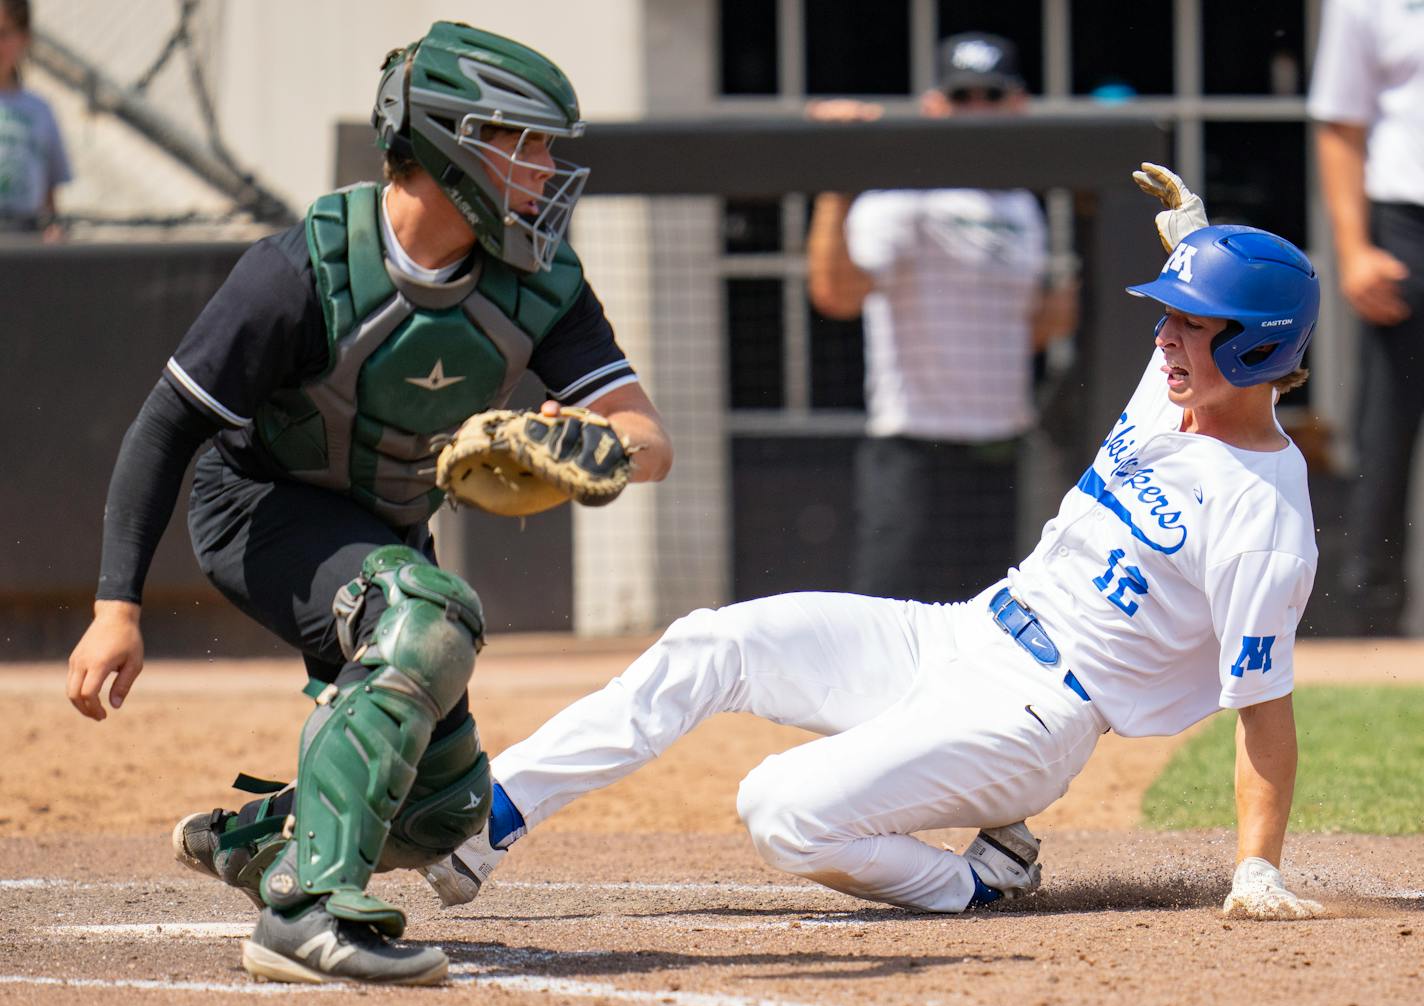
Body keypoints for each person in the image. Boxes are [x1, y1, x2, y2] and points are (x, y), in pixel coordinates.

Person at [419, 164, 1325, 923]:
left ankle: (977, 877)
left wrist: (1257, 865)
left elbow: (1265, 710)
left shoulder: (1265, 518)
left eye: (1191, 323)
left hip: (1033, 719)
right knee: (712, 641)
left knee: (778, 808)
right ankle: (491, 817)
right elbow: (1208, 314)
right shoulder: (1178, 391)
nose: (1164, 334)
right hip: (959, 632)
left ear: (1252, 349)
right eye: (1167, 315)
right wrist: (1197, 243)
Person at [64, 21, 672, 986]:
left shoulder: (538, 281)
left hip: (385, 532)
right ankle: (303, 919)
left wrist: (585, 447)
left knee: (444, 813)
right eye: (529, 144)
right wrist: (115, 607)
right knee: (431, 614)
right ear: (448, 146)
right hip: (259, 508)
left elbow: (649, 441)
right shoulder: (303, 268)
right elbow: (164, 426)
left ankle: (258, 842)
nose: (551, 170)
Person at [805, 32, 1077, 604]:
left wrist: (1088, 286)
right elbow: (836, 294)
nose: (975, 108)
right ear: (935, 105)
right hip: (912, 445)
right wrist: (836, 183)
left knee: (991, 628)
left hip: (1001, 448)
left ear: (1018, 105)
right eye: (962, 95)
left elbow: (1027, 328)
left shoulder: (1024, 206)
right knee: (887, 619)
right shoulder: (899, 197)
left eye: (991, 95)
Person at [1308, 0, 1424, 637]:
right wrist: (1353, 250)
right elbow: (1340, 123)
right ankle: (1373, 628)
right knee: (1385, 433)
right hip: (1404, 226)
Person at [0, 0, 70, 240]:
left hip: (25, 237)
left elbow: (48, 195)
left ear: (24, 37)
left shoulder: (40, 110)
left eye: (2, 34)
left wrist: (53, 230)